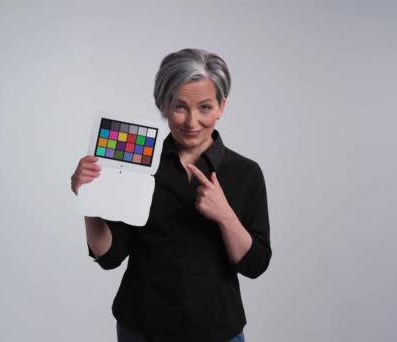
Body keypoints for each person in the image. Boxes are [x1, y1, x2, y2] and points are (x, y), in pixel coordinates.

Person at [71, 48, 272, 342]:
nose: (192, 122)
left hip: (217, 331)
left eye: (205, 107)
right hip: (142, 328)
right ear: (163, 106)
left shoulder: (245, 173)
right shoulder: (136, 161)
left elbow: (255, 265)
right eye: (179, 107)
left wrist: (225, 214)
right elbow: (109, 256)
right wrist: (90, 199)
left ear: (221, 107)